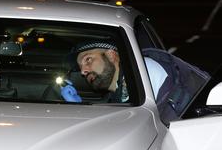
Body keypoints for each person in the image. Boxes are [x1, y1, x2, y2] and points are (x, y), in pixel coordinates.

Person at [62, 40, 209, 122]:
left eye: (88, 59)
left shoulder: (143, 70)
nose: (83, 71)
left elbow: (128, 128)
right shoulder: (119, 93)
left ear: (112, 55)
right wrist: (81, 108)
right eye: (80, 67)